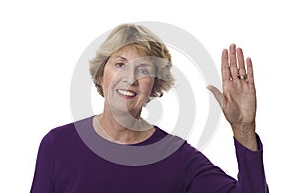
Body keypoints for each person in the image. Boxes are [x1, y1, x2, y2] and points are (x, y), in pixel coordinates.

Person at [30, 23, 269, 192]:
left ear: (154, 85)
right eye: (120, 64)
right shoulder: (57, 145)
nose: (130, 78)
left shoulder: (177, 157)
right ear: (102, 73)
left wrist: (243, 129)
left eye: (143, 70)